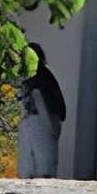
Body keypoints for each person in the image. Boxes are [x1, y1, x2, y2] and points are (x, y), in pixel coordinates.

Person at [16, 49, 68, 180]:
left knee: (34, 168)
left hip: (40, 125)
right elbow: (61, 111)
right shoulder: (44, 76)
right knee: (40, 168)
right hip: (37, 126)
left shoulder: (42, 77)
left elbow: (58, 109)